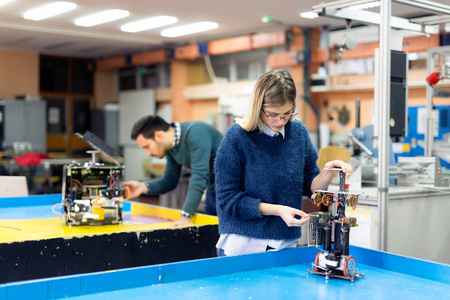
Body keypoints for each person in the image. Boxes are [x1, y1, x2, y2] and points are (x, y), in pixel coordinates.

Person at [214, 69, 352, 256]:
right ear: (258, 107)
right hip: (243, 246)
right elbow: (228, 200)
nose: (280, 120)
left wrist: (327, 172)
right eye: (273, 114)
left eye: (287, 113)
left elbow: (311, 186)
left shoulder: (298, 133)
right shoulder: (237, 137)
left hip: (284, 244)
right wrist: (277, 210)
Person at [124, 115, 223, 227]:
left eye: (147, 147)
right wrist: (143, 187)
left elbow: (199, 176)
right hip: (213, 190)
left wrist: (185, 217)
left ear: (159, 135)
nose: (148, 153)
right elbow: (170, 180)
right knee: (213, 237)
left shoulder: (195, 132)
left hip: (233, 191)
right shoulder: (171, 147)